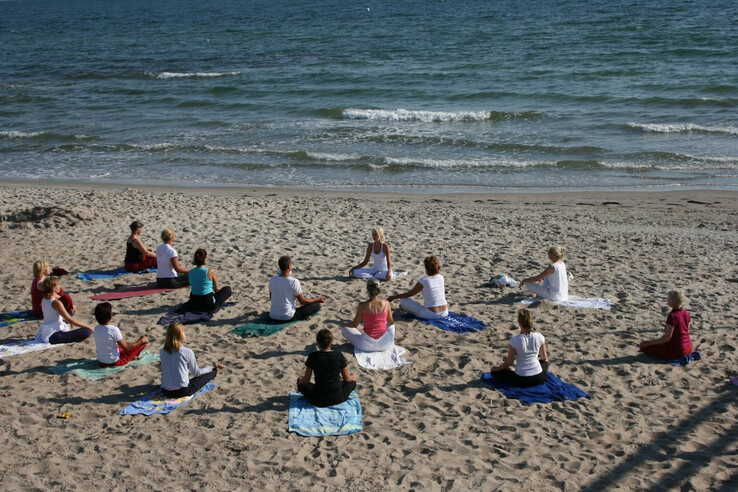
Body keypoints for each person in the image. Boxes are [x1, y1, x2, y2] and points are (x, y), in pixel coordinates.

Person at [160, 322, 225, 398]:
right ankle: (214, 370)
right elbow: (197, 373)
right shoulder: (187, 352)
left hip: (165, 391)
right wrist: (211, 368)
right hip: (182, 391)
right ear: (181, 335)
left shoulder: (162, 351)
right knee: (211, 373)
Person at [297, 328, 357, 407]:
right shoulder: (338, 355)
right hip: (338, 397)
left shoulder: (313, 356)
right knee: (352, 383)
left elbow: (307, 379)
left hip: (318, 399)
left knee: (301, 384)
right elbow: (347, 379)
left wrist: (300, 381)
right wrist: (353, 377)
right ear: (331, 342)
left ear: (318, 342)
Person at [490, 309, 550, 388]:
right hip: (539, 378)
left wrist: (497, 368)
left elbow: (508, 362)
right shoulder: (539, 336)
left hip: (522, 379)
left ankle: (512, 371)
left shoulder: (515, 340)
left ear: (519, 323)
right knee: (544, 362)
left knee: (495, 372)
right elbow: (544, 358)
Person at [342, 278, 396, 352]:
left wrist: (344, 324)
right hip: (385, 344)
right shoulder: (386, 303)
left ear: (367, 290)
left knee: (345, 329)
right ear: (379, 290)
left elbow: (354, 325)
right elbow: (391, 322)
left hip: (366, 345)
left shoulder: (362, 306)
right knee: (391, 326)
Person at [34, 277, 93, 344]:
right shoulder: (56, 303)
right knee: (86, 331)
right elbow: (70, 319)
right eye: (58, 285)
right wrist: (89, 327)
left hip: (45, 331)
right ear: (53, 288)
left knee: (67, 323)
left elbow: (58, 296)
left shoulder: (44, 299)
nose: (59, 286)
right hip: (54, 334)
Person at [387, 255, 448, 319]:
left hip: (431, 314)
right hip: (445, 312)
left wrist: (393, 297)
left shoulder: (424, 281)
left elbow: (410, 294)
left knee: (403, 300)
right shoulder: (441, 277)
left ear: (426, 268)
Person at [639, 290, 693, 360]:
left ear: (672, 302)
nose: (667, 300)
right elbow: (686, 331)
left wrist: (649, 343)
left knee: (644, 347)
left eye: (668, 298)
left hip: (678, 351)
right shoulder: (686, 313)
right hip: (689, 347)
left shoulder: (673, 316)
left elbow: (667, 337)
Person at [269, 256, 326, 321]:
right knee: (316, 305)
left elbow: (271, 297)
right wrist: (318, 299)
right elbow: (303, 301)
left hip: (273, 315)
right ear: (289, 267)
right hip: (288, 316)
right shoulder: (294, 281)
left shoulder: (272, 279)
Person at [93, 302, 149, 367]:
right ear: (110, 315)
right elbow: (127, 348)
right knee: (143, 341)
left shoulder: (96, 328)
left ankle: (132, 357)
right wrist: (141, 340)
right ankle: (132, 357)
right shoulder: (113, 329)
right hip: (114, 362)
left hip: (101, 361)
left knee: (117, 347)